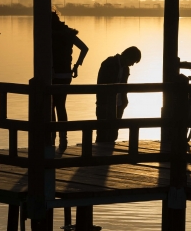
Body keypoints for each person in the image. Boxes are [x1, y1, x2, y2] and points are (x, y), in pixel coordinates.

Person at [51, 10, 88, 151]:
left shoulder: (49, 34)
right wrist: (77, 65)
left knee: (51, 106)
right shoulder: (69, 34)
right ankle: (63, 138)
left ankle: (52, 136)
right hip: (66, 74)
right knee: (61, 105)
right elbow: (84, 48)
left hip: (53, 75)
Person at [95, 46, 142, 143]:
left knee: (114, 133)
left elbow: (124, 86)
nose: (132, 65)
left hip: (119, 104)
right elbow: (101, 83)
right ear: (128, 57)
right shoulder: (109, 63)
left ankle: (109, 152)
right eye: (132, 61)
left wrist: (124, 101)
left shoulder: (126, 69)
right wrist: (102, 102)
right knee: (102, 132)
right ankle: (100, 153)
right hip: (105, 104)